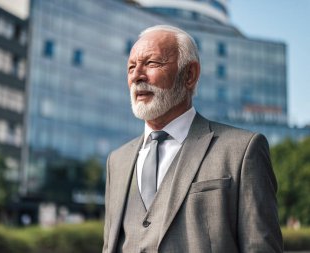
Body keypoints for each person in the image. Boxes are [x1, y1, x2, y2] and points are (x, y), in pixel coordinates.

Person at [102, 25, 283, 253]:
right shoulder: (116, 162)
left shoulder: (242, 150)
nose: (137, 76)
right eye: (130, 67)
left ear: (189, 75)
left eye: (151, 63)